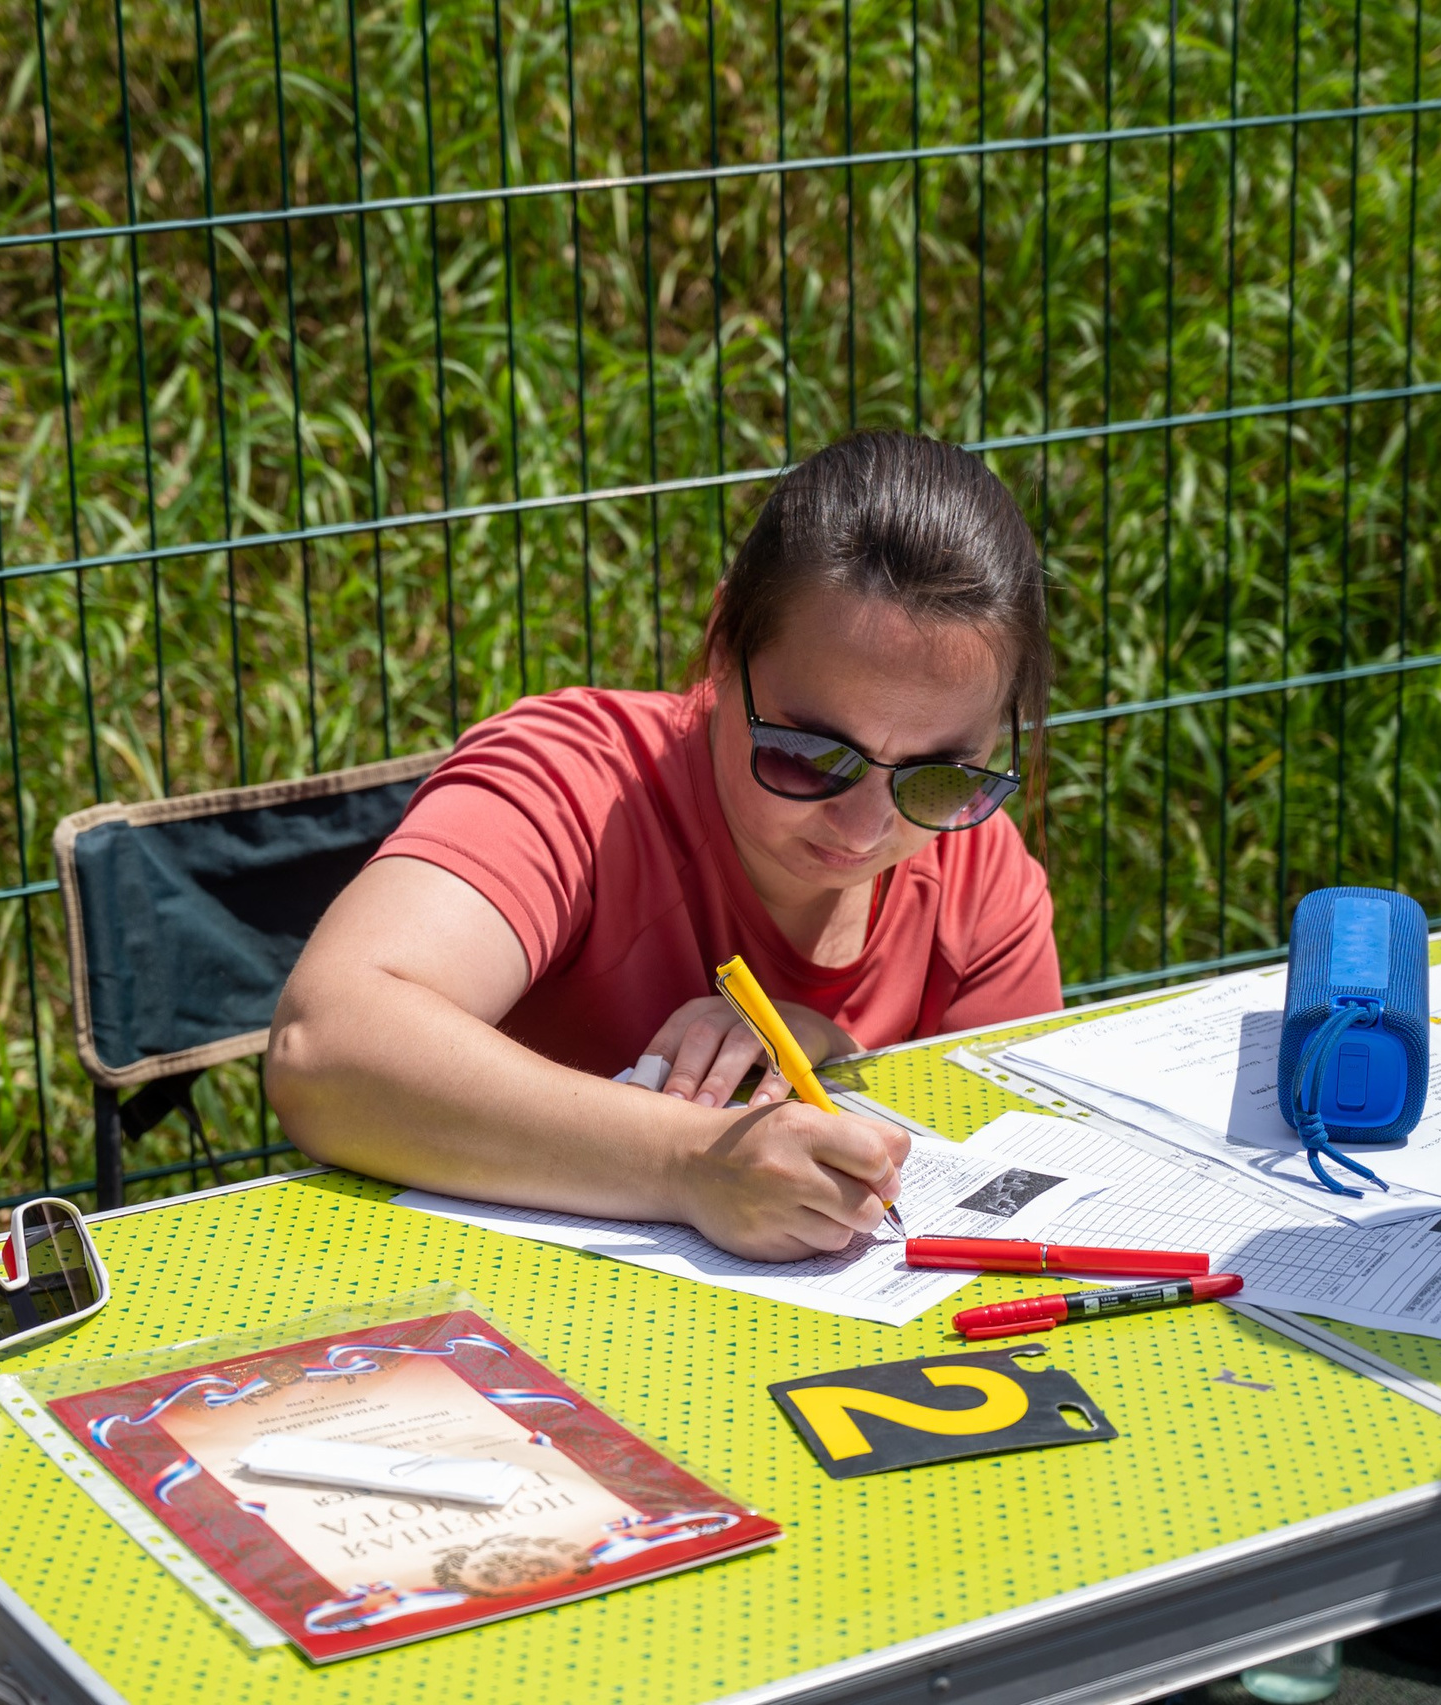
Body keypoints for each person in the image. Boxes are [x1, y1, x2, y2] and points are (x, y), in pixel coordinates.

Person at [269, 432, 1060, 1260]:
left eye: (939, 777)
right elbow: (323, 1048)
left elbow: (1021, 1164)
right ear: (723, 642)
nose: (864, 829)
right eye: (809, 753)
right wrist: (689, 1164)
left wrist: (834, 1050)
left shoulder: (978, 872)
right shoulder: (577, 785)